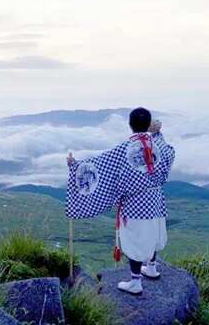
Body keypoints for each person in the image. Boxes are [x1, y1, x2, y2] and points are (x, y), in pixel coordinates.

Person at [65, 107, 175, 295]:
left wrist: (75, 165)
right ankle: (152, 267)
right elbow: (170, 153)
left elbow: (98, 166)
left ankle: (135, 282)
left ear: (130, 125)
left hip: (135, 202)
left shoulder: (122, 151)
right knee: (152, 233)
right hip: (156, 199)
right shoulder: (159, 146)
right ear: (149, 125)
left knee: (135, 237)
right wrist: (157, 133)